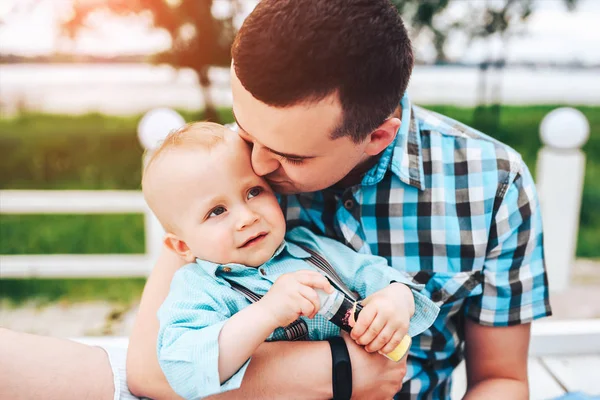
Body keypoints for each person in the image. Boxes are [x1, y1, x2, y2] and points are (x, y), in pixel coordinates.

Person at [0, 0, 551, 399]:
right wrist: (338, 369)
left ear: (376, 137)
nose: (258, 166)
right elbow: (153, 370)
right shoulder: (226, 165)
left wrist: (396, 306)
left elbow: (501, 379)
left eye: (291, 157)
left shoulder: (492, 186)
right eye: (246, 130)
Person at [142, 121, 439, 399]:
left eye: (254, 192)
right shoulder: (199, 288)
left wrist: (394, 300)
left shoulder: (309, 248)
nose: (247, 217)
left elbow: (377, 275)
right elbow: (184, 366)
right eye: (216, 211)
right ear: (182, 245)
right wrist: (267, 313)